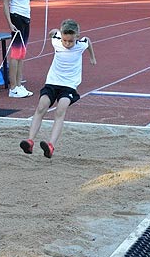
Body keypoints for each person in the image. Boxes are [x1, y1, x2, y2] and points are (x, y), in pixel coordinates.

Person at [19, 19, 96, 158]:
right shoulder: (56, 40)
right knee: (41, 107)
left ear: (77, 37)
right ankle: (30, 141)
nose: (67, 44)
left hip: (69, 86)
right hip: (52, 83)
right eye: (65, 41)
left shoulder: (81, 44)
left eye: (70, 41)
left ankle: (50, 145)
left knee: (60, 110)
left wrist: (92, 57)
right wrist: (55, 31)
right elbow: (53, 33)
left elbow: (88, 41)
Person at [3, 0, 45, 98]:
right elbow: (6, 2)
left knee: (22, 53)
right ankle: (13, 87)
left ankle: (19, 85)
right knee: (15, 53)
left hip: (26, 18)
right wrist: (10, 23)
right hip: (16, 18)